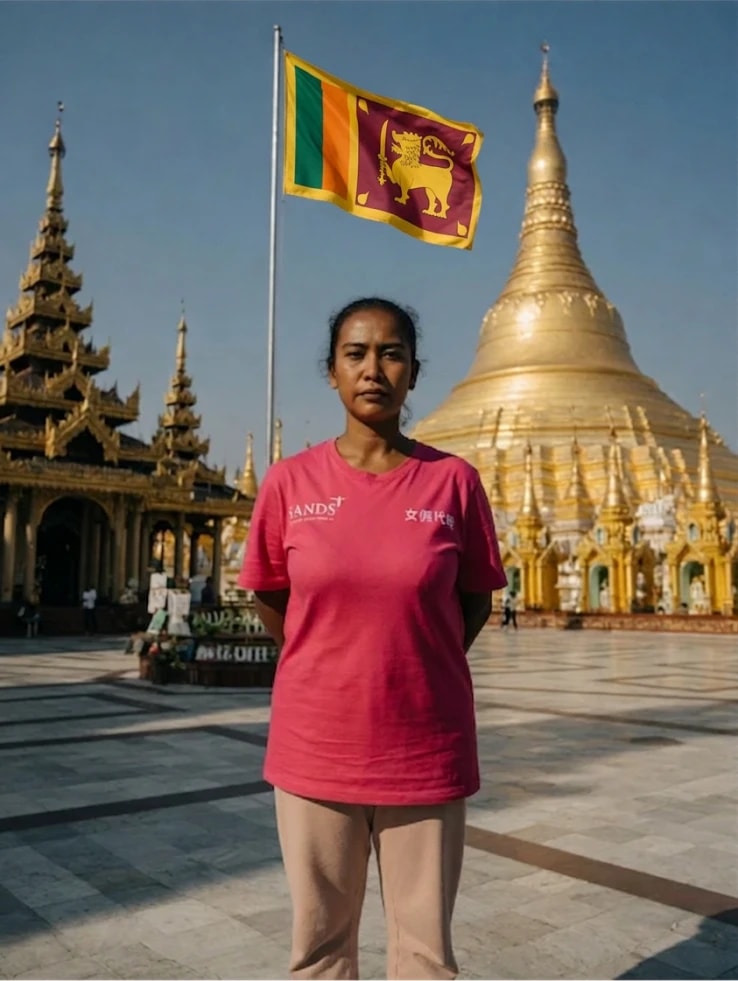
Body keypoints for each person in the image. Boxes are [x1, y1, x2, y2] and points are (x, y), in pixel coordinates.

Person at [238, 298, 506, 980]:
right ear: (330, 371)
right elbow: (272, 595)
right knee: (321, 949)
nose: (373, 369)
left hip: (425, 745)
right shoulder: (289, 483)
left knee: (424, 953)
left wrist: (413, 658)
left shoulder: (453, 483)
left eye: (391, 353)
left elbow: (474, 598)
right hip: (315, 746)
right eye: (355, 353)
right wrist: (328, 659)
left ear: (414, 372)